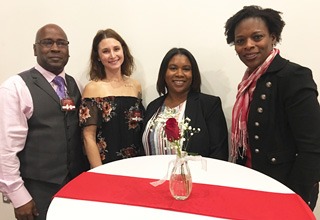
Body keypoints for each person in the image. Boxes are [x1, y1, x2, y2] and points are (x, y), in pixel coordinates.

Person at [225, 5, 320, 210]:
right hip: (251, 181)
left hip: (284, 187)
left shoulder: (293, 76)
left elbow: (312, 148)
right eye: (240, 41)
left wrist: (296, 200)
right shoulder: (249, 83)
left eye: (257, 37)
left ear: (273, 38)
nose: (248, 45)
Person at [0, 24, 89, 220]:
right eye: (47, 42)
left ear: (68, 50)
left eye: (61, 43)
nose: (55, 48)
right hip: (36, 191)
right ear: (35, 49)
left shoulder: (77, 85)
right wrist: (18, 197)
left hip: (75, 186)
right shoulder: (15, 87)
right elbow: (6, 148)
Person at [142, 48, 228, 160]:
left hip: (195, 176)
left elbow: (219, 154)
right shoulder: (153, 106)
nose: (179, 74)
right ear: (164, 73)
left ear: (193, 74)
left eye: (186, 69)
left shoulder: (209, 105)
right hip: (152, 176)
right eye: (173, 68)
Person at [79, 28, 145, 168]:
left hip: (136, 164)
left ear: (123, 51)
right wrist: (100, 173)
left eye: (116, 49)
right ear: (98, 57)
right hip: (105, 166)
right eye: (106, 51)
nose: (113, 55)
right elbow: (88, 137)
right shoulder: (92, 89)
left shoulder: (136, 86)